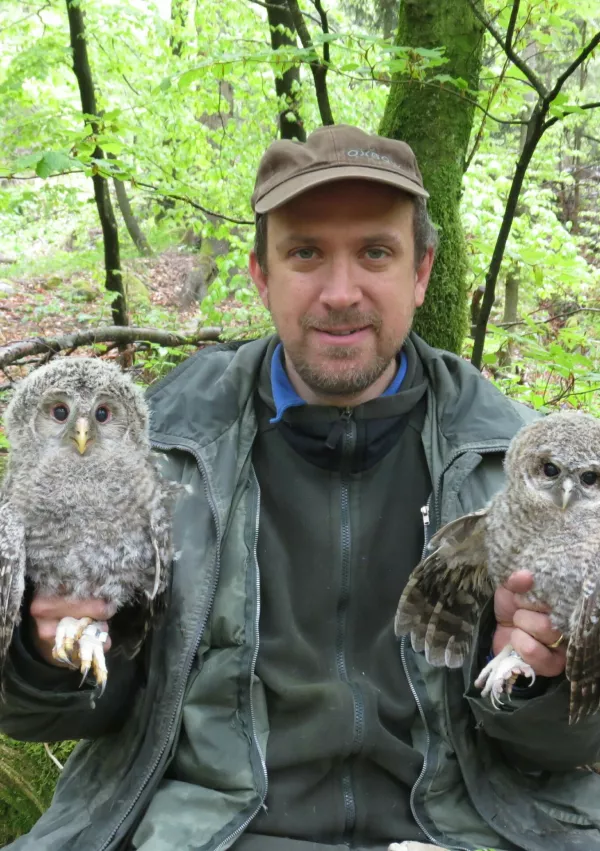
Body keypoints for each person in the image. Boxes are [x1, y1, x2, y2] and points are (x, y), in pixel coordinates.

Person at [2, 124, 600, 851]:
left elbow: (571, 750)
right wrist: (49, 654)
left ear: (422, 271)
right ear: (261, 274)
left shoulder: (533, 471)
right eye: (306, 252)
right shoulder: (156, 446)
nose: (341, 292)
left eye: (375, 252)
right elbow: (60, 717)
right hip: (204, 834)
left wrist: (543, 679)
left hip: (463, 835)